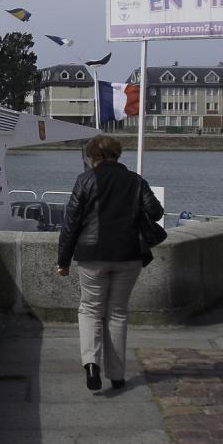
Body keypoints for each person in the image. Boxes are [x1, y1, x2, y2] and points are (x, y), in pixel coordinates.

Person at [56, 134, 162, 392]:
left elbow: (71, 223)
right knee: (117, 312)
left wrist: (64, 260)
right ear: (118, 154)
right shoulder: (135, 181)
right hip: (128, 254)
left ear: (92, 156)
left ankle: (91, 364)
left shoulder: (85, 180)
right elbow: (156, 212)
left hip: (92, 255)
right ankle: (116, 375)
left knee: (90, 309)